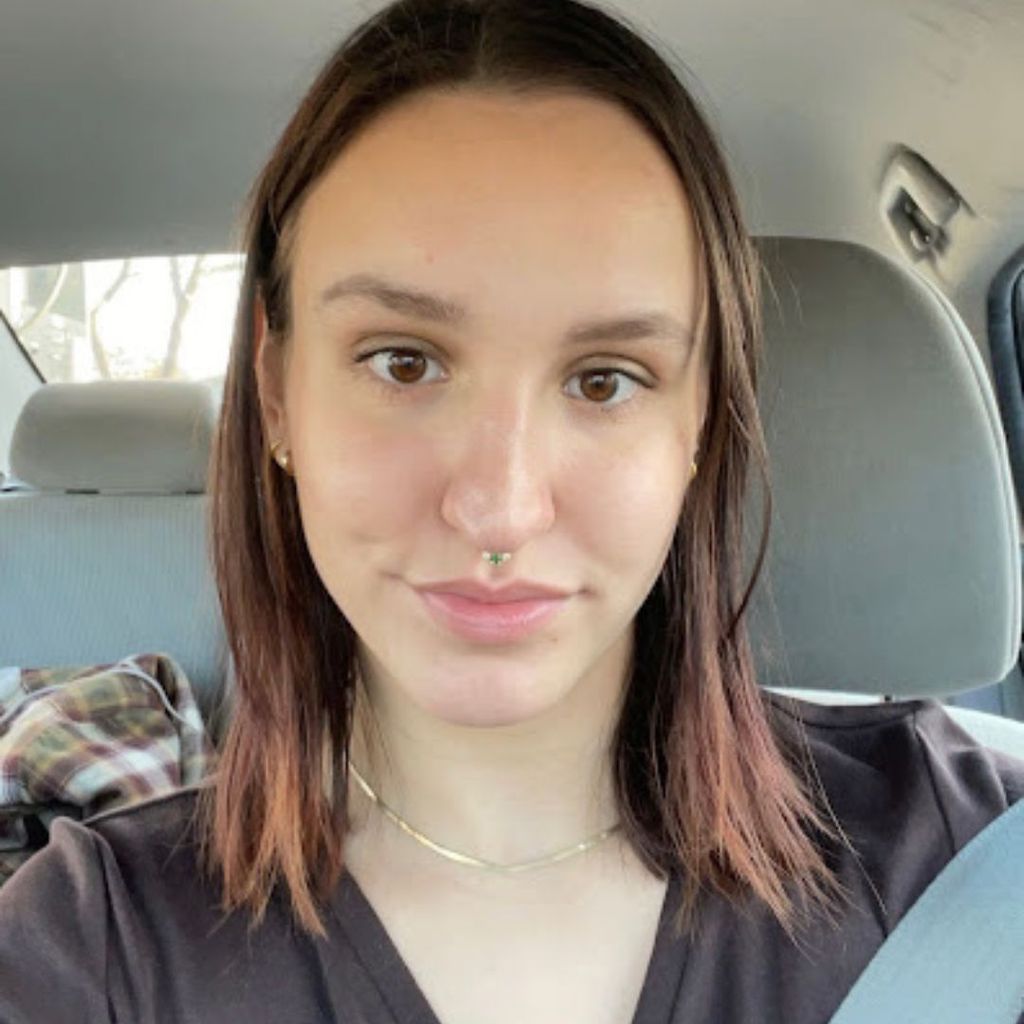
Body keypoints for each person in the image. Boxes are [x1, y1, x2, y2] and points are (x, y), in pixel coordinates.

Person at [1, 1, 1022, 1021]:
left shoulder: (972, 860)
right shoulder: (91, 946)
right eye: (402, 362)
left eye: (605, 379)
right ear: (276, 395)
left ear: (700, 420)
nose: (499, 509)